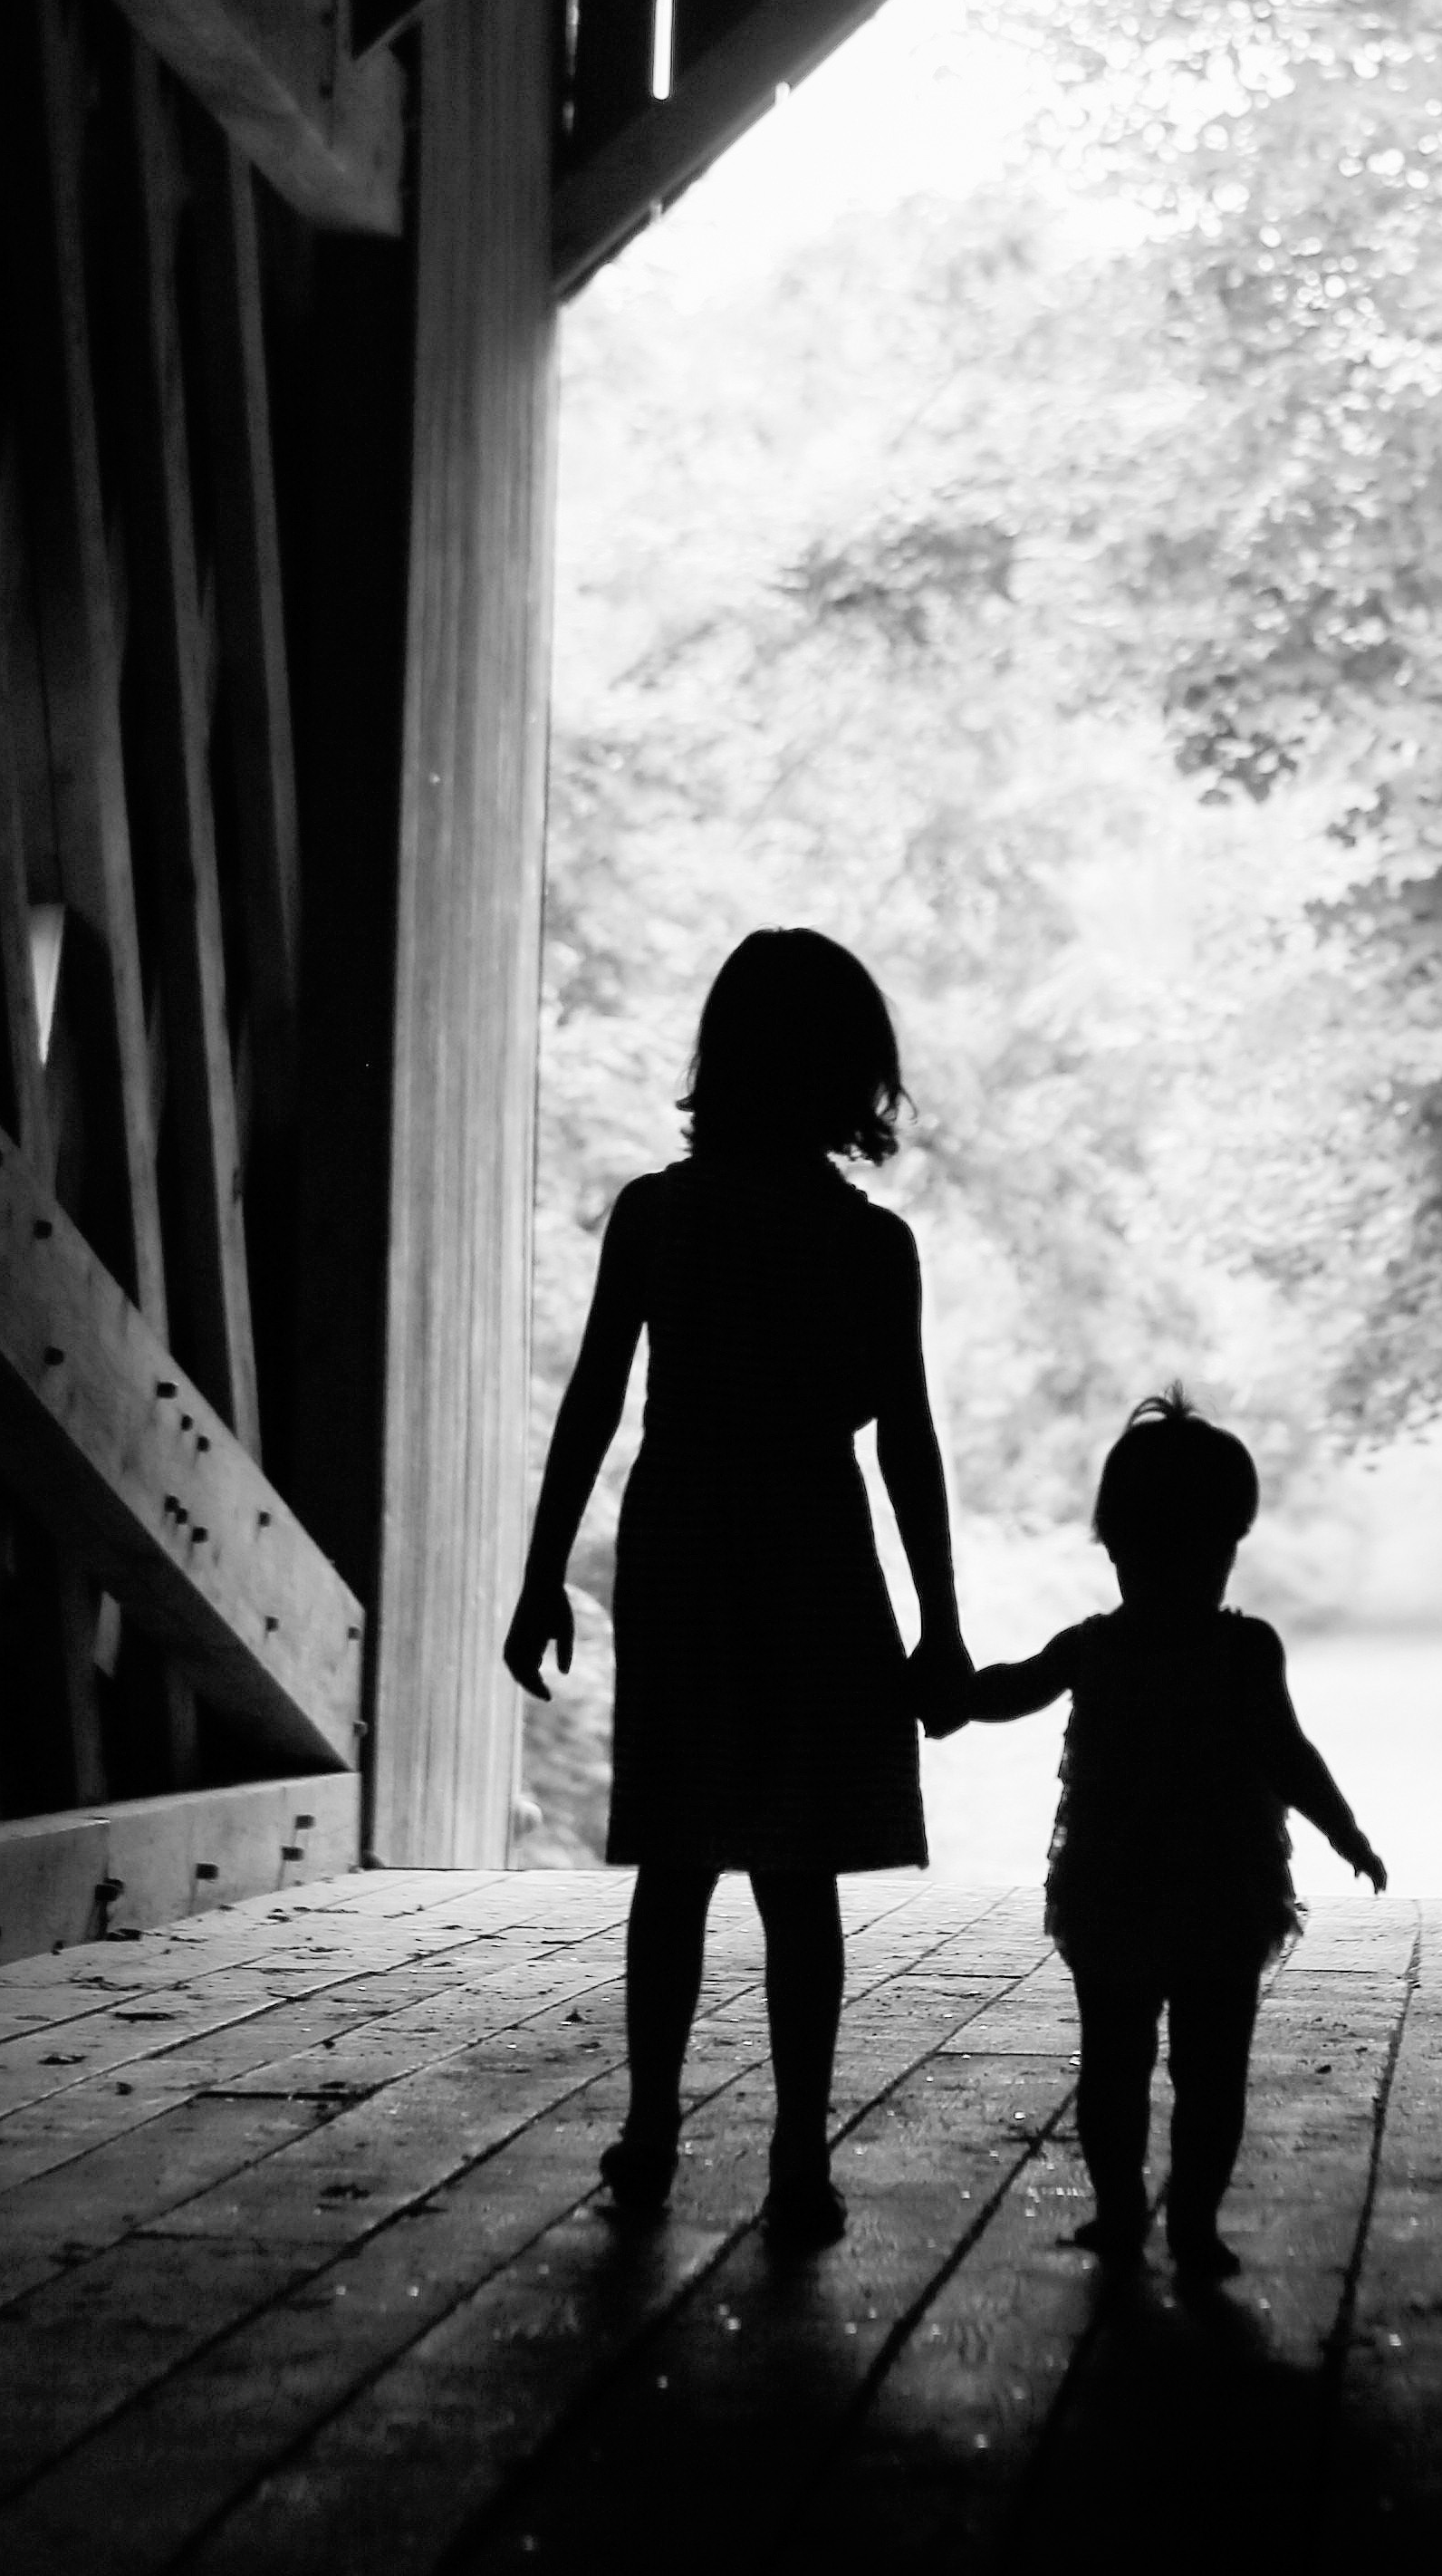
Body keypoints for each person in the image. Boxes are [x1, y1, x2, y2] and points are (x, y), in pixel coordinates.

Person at [505, 928, 974, 2250]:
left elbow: (595, 1403)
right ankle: (796, 2158)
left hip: (688, 1539)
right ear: (849, 1077)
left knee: (678, 1855)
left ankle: (652, 2133)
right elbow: (907, 1445)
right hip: (814, 1545)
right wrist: (939, 1624)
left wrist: (544, 1573)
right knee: (798, 1868)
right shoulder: (870, 1247)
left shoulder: (660, 1216)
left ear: (724, 1060)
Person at [959, 1396, 1384, 2281]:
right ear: (1231, 1542)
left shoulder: (1092, 1646)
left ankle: (1122, 2216)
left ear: (1112, 1542)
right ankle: (1192, 2223)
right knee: (1211, 2070)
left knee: (1113, 2065)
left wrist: (941, 1689)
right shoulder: (1244, 1651)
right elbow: (1290, 1757)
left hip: (1111, 1891)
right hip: (1225, 1896)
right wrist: (1344, 1831)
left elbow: (1005, 1692)